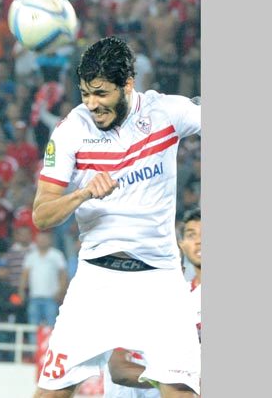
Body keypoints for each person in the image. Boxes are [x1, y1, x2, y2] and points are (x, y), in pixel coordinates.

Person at [31, 36, 201, 397]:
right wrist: (82, 194)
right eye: (85, 94)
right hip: (96, 280)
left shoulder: (165, 113)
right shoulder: (71, 131)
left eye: (101, 93)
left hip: (160, 279)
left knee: (181, 390)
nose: (92, 104)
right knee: (51, 393)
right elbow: (42, 216)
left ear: (127, 84)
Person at [102, 207, 202, 398]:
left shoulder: (188, 305)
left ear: (180, 271)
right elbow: (119, 370)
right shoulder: (127, 308)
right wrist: (173, 380)